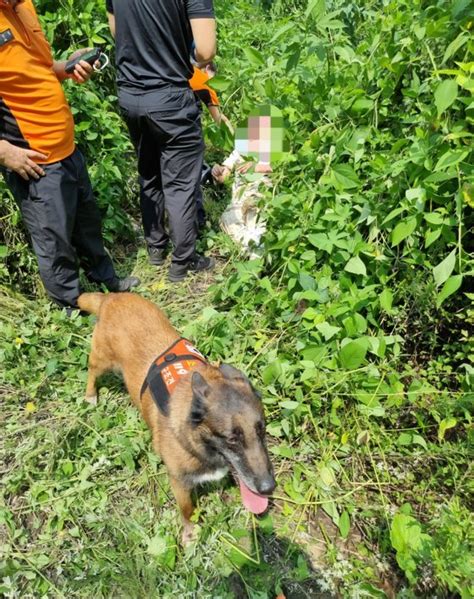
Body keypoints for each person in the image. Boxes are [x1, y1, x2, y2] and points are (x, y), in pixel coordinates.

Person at [0, 0, 139, 312]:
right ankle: (69, 308)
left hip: (66, 147)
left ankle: (107, 281)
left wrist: (68, 66)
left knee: (87, 224)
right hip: (33, 160)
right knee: (55, 241)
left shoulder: (23, 7)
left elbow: (39, 68)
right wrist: (3, 151)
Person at [106, 0, 217, 282]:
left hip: (130, 94)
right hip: (170, 96)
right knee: (180, 183)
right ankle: (183, 261)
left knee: (149, 171)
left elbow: (117, 31)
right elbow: (205, 51)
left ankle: (156, 247)